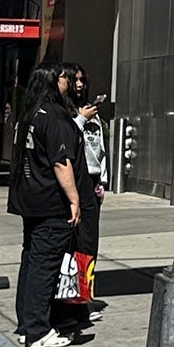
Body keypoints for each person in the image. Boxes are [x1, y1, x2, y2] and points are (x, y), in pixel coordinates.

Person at [7, 64, 82, 347]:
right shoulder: (53, 116)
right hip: (50, 201)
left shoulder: (28, 114)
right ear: (53, 81)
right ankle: (38, 329)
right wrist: (74, 199)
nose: (68, 81)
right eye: (63, 77)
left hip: (29, 199)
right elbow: (61, 162)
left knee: (31, 260)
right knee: (44, 265)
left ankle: (27, 324)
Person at [68, 67, 108, 320]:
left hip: (92, 180)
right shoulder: (66, 113)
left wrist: (102, 180)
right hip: (74, 178)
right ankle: (73, 299)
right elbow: (66, 141)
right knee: (75, 241)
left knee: (89, 242)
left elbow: (99, 148)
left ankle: (85, 295)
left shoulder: (93, 114)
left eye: (83, 80)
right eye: (75, 80)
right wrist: (81, 119)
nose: (80, 84)